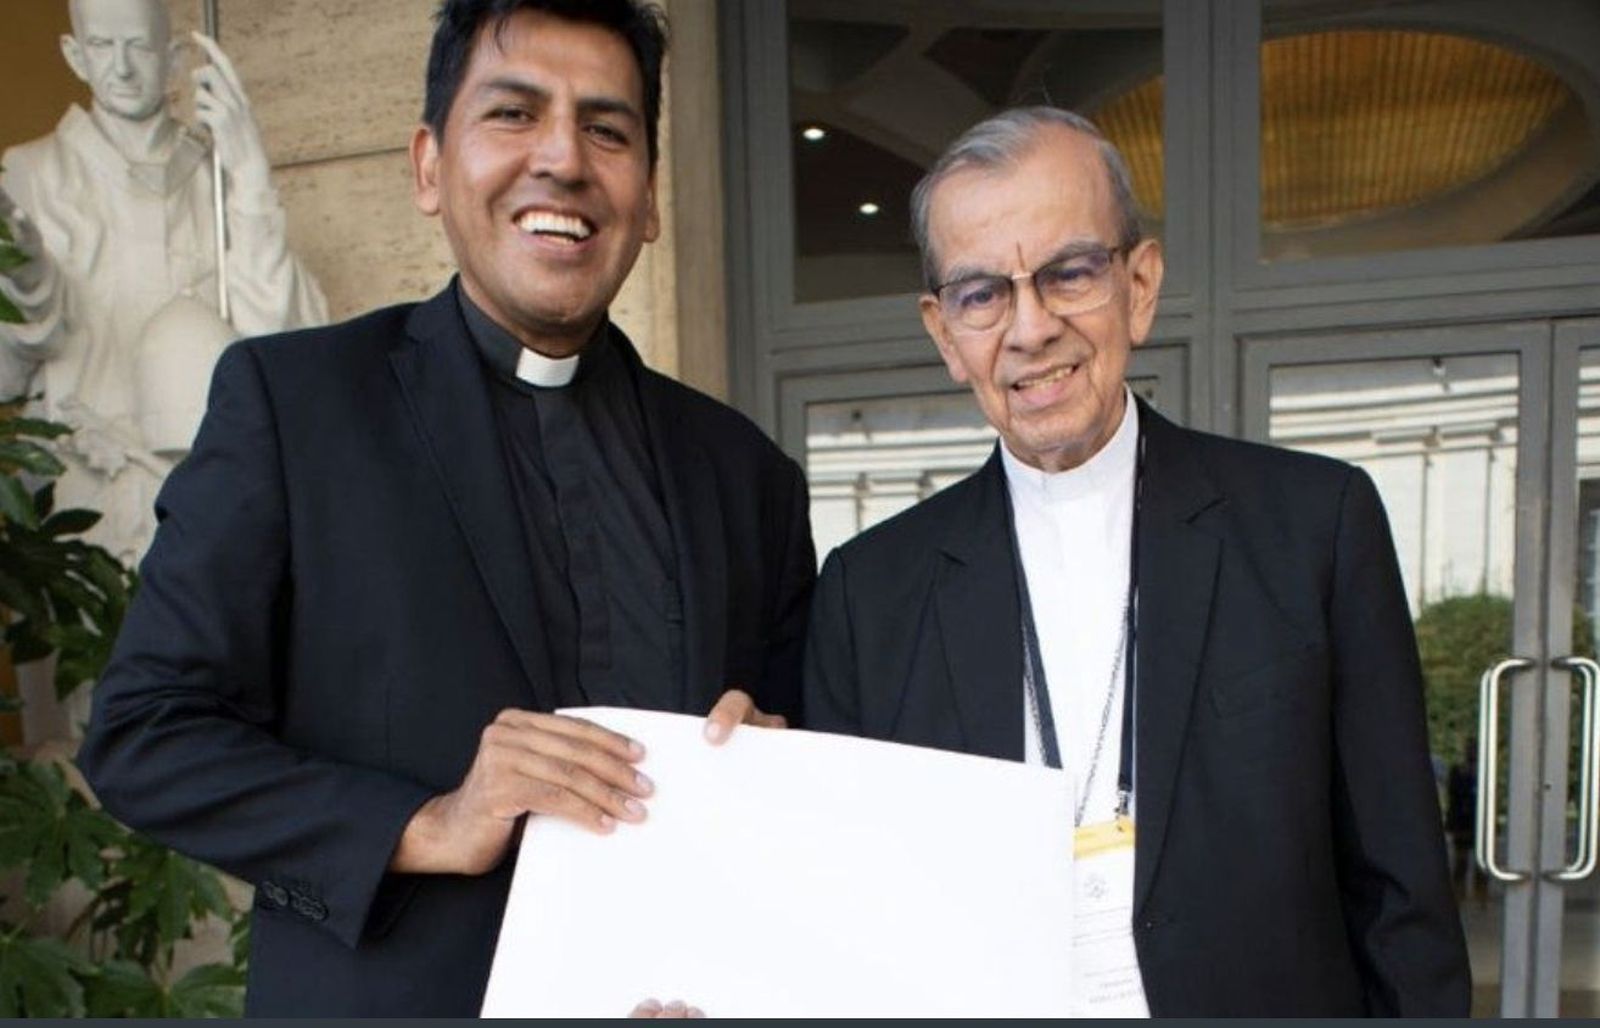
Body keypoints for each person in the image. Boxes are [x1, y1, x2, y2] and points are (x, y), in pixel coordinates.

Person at [77, 0, 814, 1016]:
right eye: (513, 113)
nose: (563, 158)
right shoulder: (295, 406)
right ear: (428, 167)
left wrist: (774, 762)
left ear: (648, 197)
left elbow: (800, 766)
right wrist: (428, 821)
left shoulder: (746, 472)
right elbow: (144, 735)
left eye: (607, 129)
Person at [802, 107, 1470, 1016]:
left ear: (1140, 285)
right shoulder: (867, 593)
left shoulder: (1315, 526)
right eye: (982, 294)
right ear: (944, 333)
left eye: (1069, 273)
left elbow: (1403, 898)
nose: (1030, 328)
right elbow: (854, 914)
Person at [0, 0, 326, 565]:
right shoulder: (31, 173)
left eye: (139, 46)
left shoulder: (215, 173)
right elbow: (12, 365)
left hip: (211, 495)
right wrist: (24, 273)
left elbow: (287, 339)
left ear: (173, 57)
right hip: (87, 495)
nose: (122, 67)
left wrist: (250, 178)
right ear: (74, 55)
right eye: (102, 46)